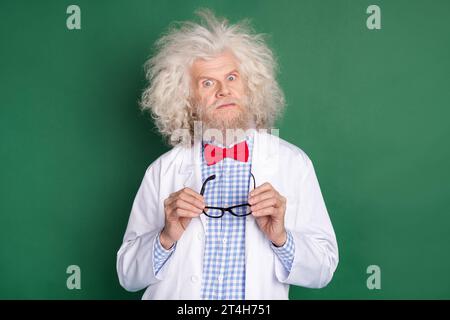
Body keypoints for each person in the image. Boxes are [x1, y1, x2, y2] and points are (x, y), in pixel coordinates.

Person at [116, 9, 338, 300]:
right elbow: (128, 276)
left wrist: (281, 238)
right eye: (207, 83)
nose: (223, 91)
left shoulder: (293, 164)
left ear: (250, 84)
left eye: (232, 77)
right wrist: (166, 237)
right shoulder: (163, 170)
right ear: (187, 98)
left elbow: (323, 269)